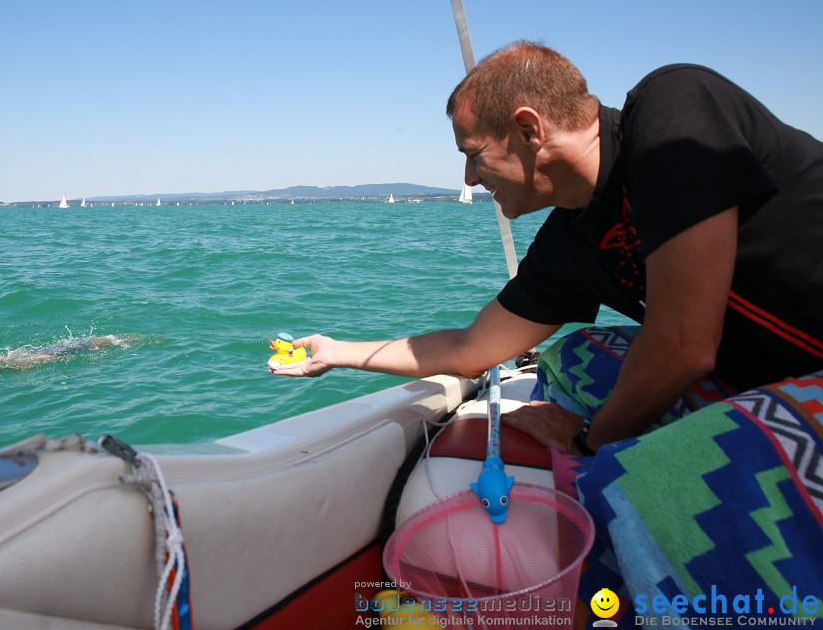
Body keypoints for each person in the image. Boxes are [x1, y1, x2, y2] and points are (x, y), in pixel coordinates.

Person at [271, 40, 823, 456]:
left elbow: (684, 344)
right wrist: (337, 350)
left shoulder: (673, 113)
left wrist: (588, 442)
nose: (468, 177)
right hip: (769, 375)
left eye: (474, 153)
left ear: (528, 130)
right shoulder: (570, 243)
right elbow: (471, 348)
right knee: (576, 353)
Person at [0, 335, 117, 371]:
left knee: (34, 357)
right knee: (34, 361)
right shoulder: (88, 347)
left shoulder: (83, 341)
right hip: (56, 352)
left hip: (52, 348)